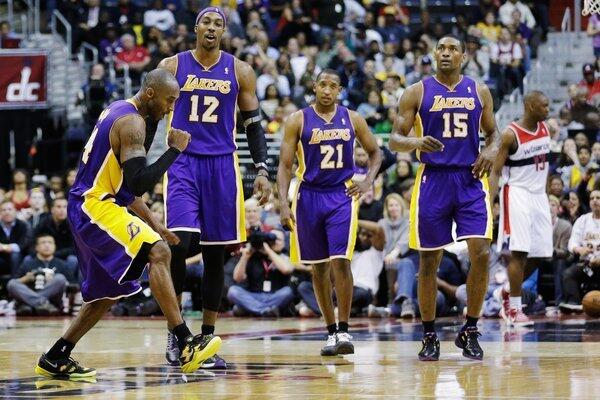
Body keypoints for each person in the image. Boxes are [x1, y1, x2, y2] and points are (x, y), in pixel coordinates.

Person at [35, 69, 221, 380]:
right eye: (169, 100)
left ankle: (56, 355)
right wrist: (175, 149)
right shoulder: (133, 123)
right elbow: (137, 184)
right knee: (159, 253)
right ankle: (186, 342)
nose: (171, 108)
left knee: (108, 291)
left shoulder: (117, 107)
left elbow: (125, 188)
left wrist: (156, 224)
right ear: (150, 93)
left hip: (89, 204)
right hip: (95, 206)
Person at [157, 6, 272, 369]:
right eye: (206, 21)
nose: (212, 27)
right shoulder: (172, 66)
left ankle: (206, 337)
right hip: (183, 162)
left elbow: (253, 123)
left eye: (218, 23)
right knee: (179, 242)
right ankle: (177, 333)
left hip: (223, 165)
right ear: (195, 28)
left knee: (215, 254)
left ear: (224, 31)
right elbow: (148, 114)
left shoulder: (240, 70)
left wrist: (262, 169)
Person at [389, 35, 501, 361]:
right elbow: (395, 139)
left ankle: (471, 329)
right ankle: (428, 334)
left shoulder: (479, 90)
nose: (447, 53)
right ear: (434, 54)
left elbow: (494, 134)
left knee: (480, 252)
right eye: (442, 48)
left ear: (464, 56)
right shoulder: (417, 91)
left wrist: (491, 151)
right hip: (433, 180)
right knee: (428, 260)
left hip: (470, 178)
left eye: (453, 49)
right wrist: (415, 143)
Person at [276, 69, 382, 356]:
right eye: (322, 84)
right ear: (314, 86)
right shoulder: (297, 119)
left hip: (341, 195)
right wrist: (283, 203)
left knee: (341, 261)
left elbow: (376, 152)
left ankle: (345, 328)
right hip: (308, 195)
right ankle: (331, 330)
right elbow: (285, 166)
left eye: (332, 86)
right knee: (319, 267)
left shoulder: (353, 118)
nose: (326, 90)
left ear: (339, 91)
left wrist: (368, 180)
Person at [492, 91, 553, 327]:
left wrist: (546, 196)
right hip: (516, 193)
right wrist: (491, 201)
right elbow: (496, 171)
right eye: (544, 105)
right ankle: (514, 310)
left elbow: (544, 167)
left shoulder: (546, 129)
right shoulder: (510, 135)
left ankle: (507, 291)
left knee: (541, 253)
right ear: (529, 105)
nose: (548, 109)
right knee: (519, 252)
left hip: (539, 196)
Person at [227, 230, 295, 317]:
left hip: (275, 296)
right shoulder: (253, 255)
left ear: (284, 242)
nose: (275, 242)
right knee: (233, 291)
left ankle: (253, 309)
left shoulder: (284, 255)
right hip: (253, 296)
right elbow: (237, 278)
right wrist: (245, 257)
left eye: (278, 240)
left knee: (287, 292)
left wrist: (269, 251)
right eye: (274, 239)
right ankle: (264, 311)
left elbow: (286, 269)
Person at [7, 233, 71, 316]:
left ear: (55, 246)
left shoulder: (62, 264)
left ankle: (31, 305)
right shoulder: (27, 263)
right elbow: (14, 284)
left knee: (60, 278)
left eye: (50, 242)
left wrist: (54, 281)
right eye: (43, 242)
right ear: (36, 247)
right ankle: (42, 304)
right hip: (37, 295)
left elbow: (73, 285)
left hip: (53, 299)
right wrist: (25, 279)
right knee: (11, 283)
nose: (47, 245)